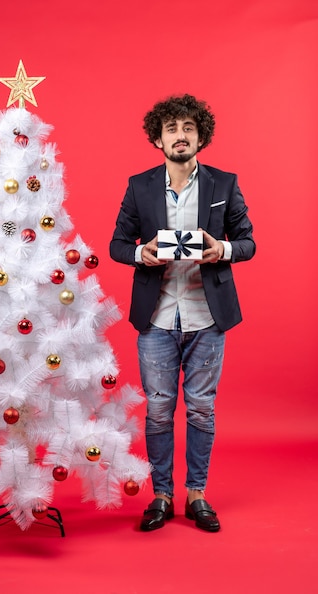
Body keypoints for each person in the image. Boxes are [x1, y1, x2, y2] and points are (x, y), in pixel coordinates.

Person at [109, 94, 255, 533]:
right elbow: (117, 244)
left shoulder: (224, 184)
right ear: (158, 138)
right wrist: (142, 253)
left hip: (208, 317)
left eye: (188, 128)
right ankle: (161, 495)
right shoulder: (139, 186)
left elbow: (248, 242)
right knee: (157, 410)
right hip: (155, 318)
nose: (180, 136)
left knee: (201, 410)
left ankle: (197, 494)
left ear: (200, 136)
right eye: (171, 129)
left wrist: (221, 249)